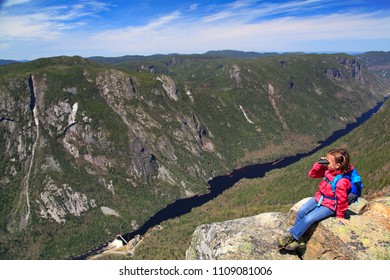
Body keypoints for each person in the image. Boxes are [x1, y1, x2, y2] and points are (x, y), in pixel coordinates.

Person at [278, 148, 352, 250]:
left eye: (328, 161)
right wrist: (319, 164)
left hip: (330, 206)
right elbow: (312, 174)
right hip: (320, 197)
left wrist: (340, 215)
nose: (326, 162)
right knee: (302, 210)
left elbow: (342, 199)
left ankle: (292, 235)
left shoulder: (342, 181)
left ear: (337, 165)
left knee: (310, 218)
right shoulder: (328, 171)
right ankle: (300, 238)